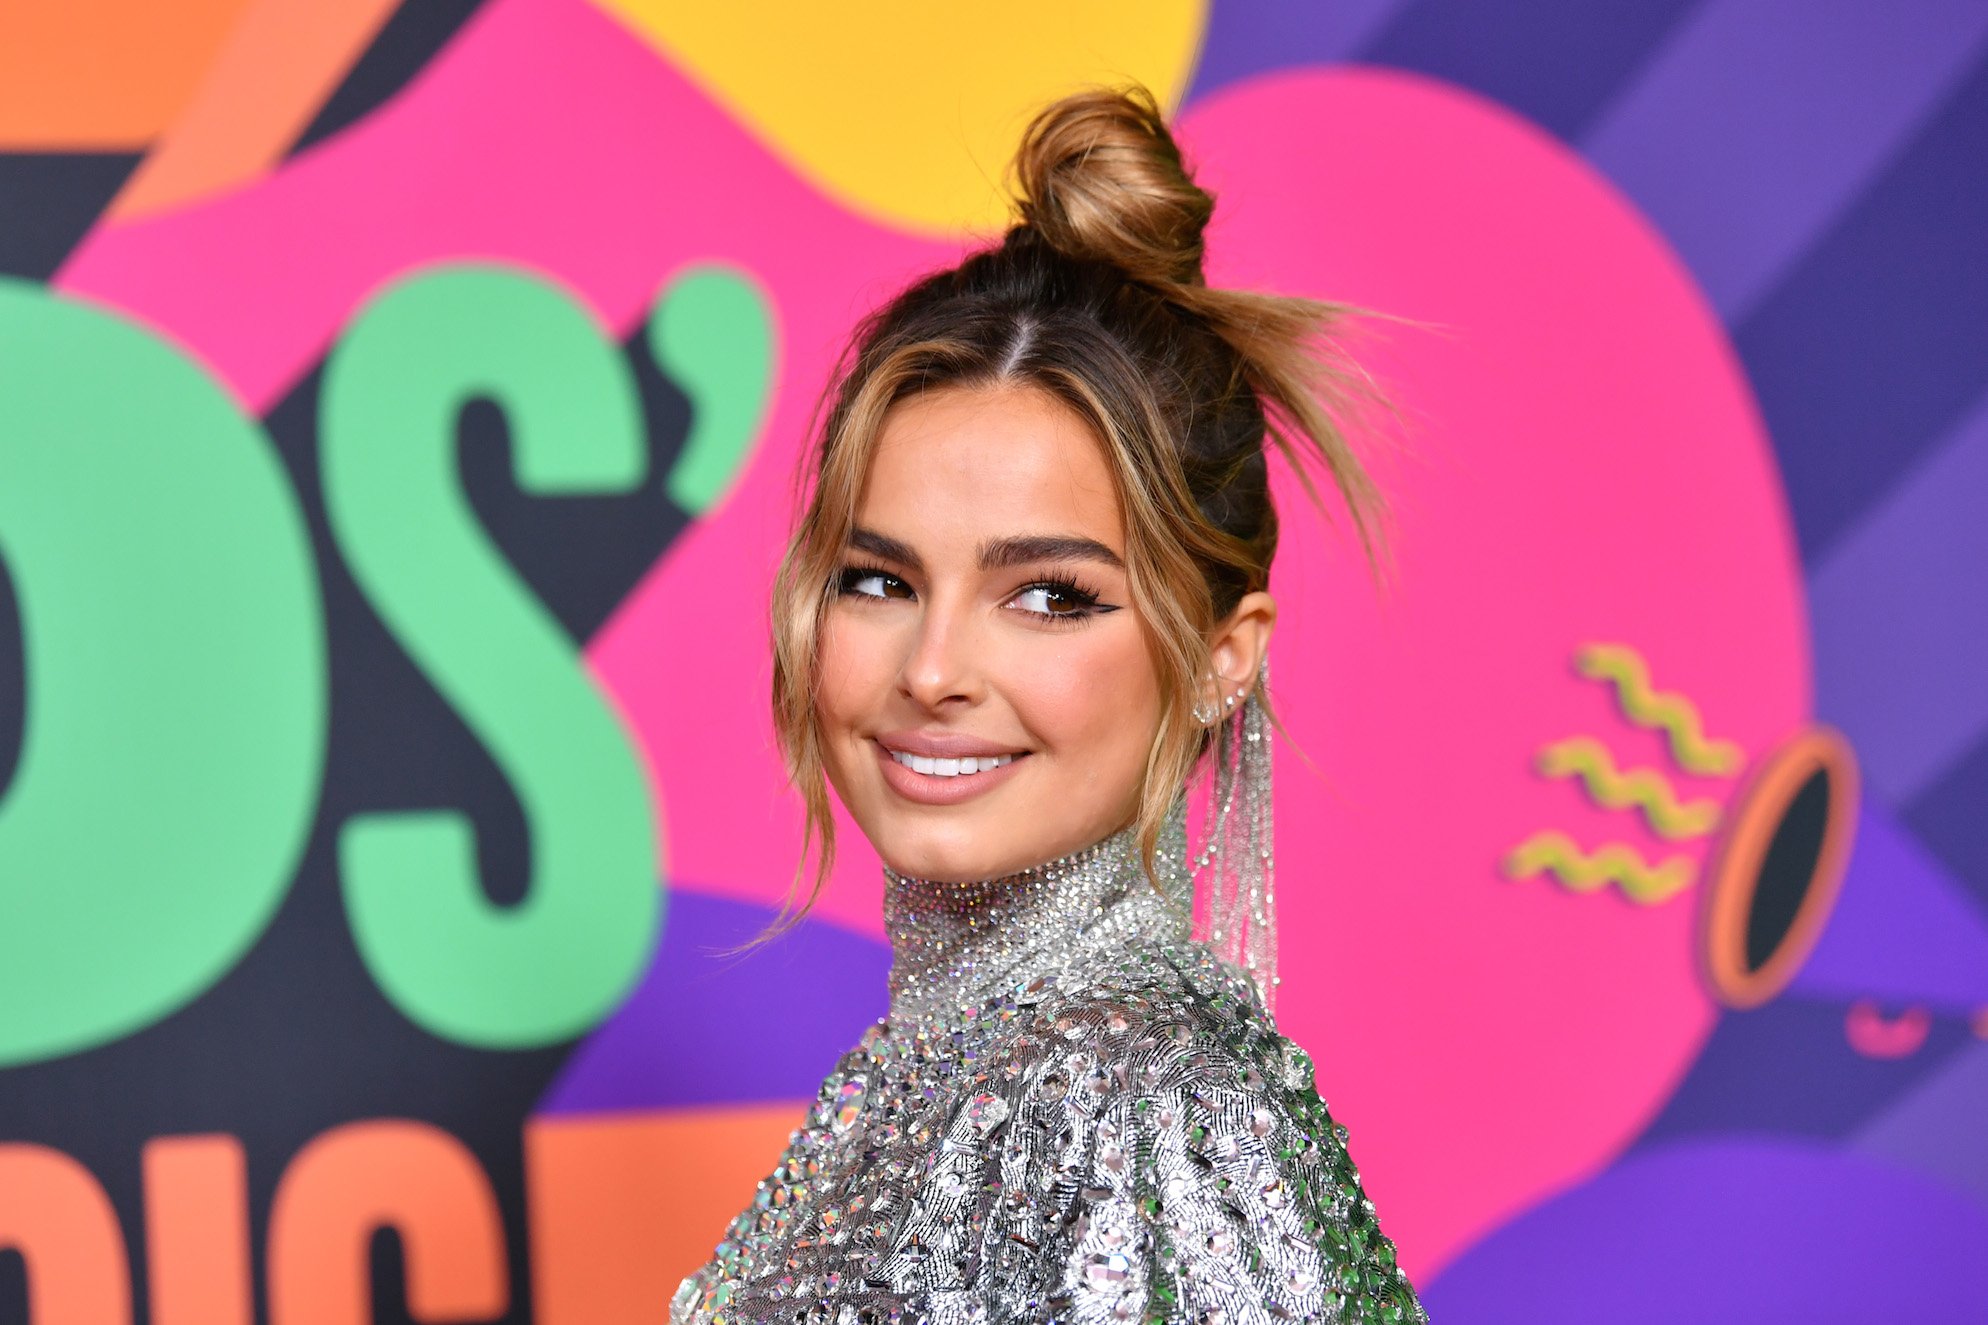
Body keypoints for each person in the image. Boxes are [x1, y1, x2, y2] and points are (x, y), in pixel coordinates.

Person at [672, 85, 1427, 1325]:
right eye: (878, 580)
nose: (931, 668)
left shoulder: (1133, 1098)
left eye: (1049, 596)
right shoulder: (973, 1067)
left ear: (1219, 656)